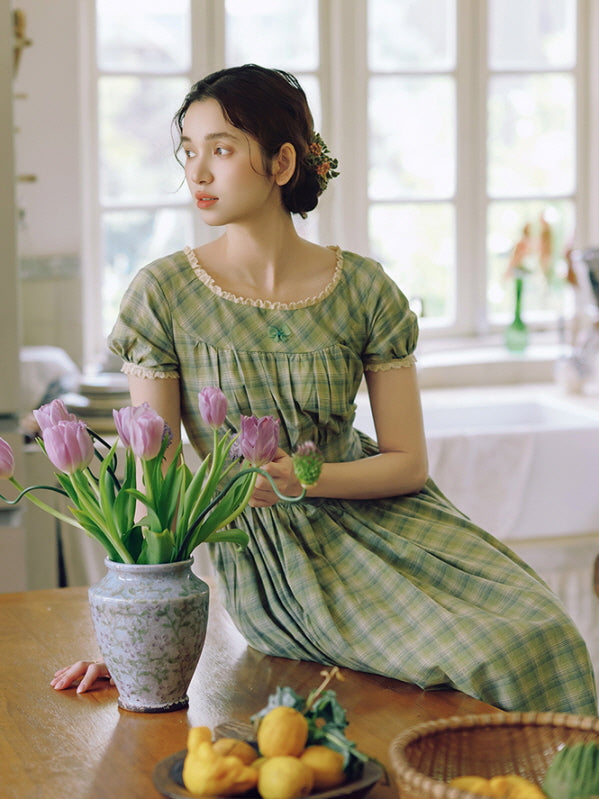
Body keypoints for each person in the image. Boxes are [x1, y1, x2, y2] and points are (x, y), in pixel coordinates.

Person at [51, 64, 597, 715]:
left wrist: (302, 480)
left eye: (221, 150)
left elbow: (408, 464)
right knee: (493, 655)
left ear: (281, 163)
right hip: (280, 560)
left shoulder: (365, 289)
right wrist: (131, 638)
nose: (197, 173)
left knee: (543, 631)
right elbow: (155, 483)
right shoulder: (162, 294)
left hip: (396, 520)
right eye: (188, 151)